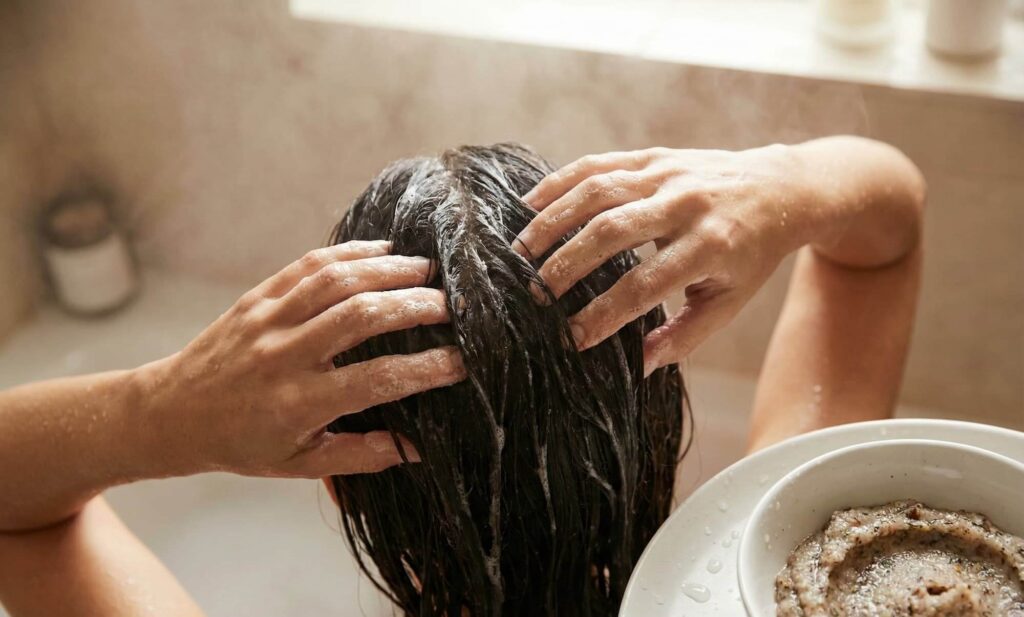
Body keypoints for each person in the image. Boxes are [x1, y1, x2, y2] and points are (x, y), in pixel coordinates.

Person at [0, 136, 924, 616]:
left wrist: (160, 408)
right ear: (654, 405)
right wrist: (783, 178)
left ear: (337, 480)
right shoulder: (785, 565)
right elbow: (882, 241)